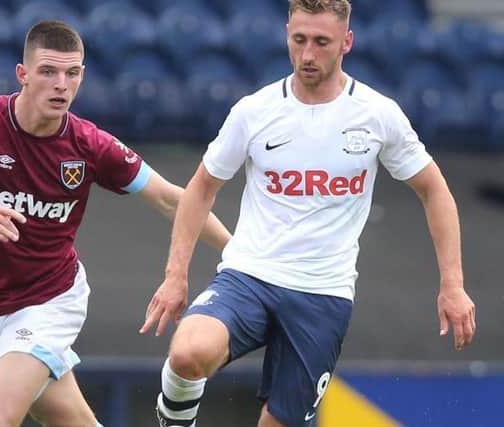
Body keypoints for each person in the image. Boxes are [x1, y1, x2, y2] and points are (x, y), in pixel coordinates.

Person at [140, 1, 477, 426]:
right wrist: (175, 276)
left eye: (322, 42)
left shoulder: (377, 114)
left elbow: (435, 190)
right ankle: (173, 420)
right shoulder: (255, 111)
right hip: (251, 275)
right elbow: (200, 189)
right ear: (287, 36)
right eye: (299, 40)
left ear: (347, 42)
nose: (308, 55)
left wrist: (453, 284)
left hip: (324, 294)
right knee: (189, 352)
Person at [0, 20, 231, 427]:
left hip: (50, 301)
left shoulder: (90, 145)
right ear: (22, 75)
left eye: (72, 73)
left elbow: (171, 198)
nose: (61, 85)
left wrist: (236, 253)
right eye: (48, 72)